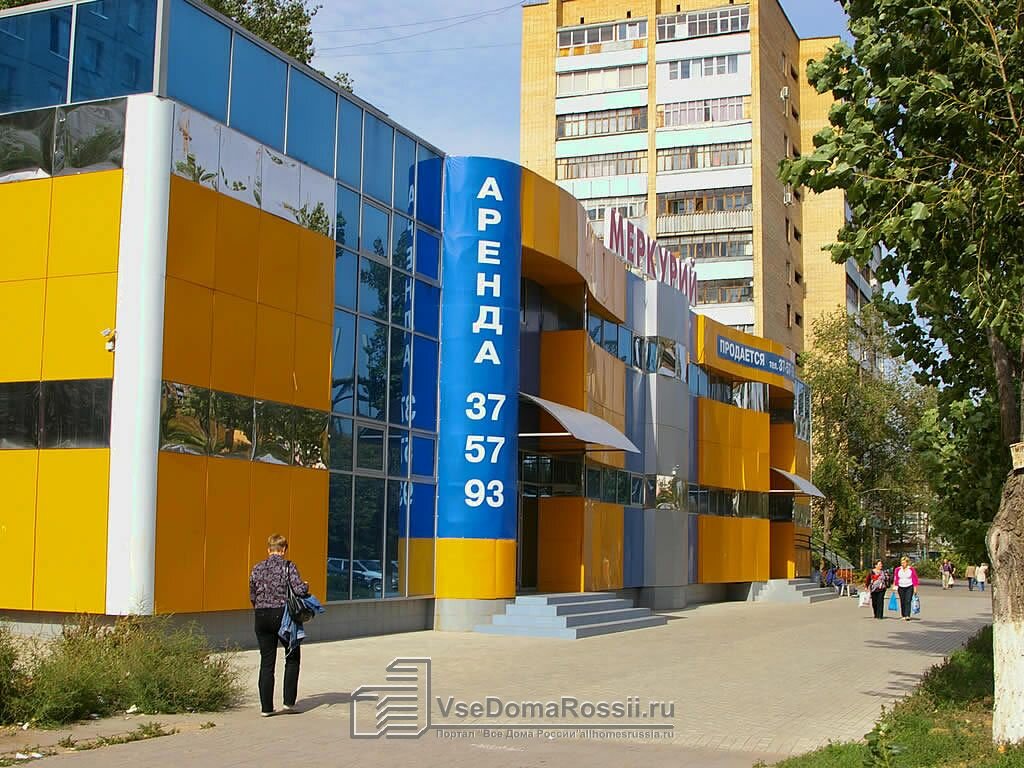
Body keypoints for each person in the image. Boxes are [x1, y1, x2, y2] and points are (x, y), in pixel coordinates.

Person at [250, 534, 309, 717]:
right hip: (283, 615)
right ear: (283, 550)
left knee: (267, 662)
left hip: (261, 616)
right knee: (292, 656)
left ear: (268, 549)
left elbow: (252, 594)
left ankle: (266, 708)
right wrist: (306, 585)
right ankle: (288, 702)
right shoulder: (288, 566)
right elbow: (299, 590)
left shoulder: (257, 567)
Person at [893, 556, 919, 621]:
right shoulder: (897, 569)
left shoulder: (911, 569)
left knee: (908, 600)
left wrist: (915, 588)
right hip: (901, 586)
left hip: (909, 586)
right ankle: (903, 615)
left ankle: (907, 615)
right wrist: (895, 586)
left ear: (907, 563)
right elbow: (896, 578)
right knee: (902, 601)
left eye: (904, 563)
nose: (903, 564)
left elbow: (915, 579)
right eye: (902, 563)